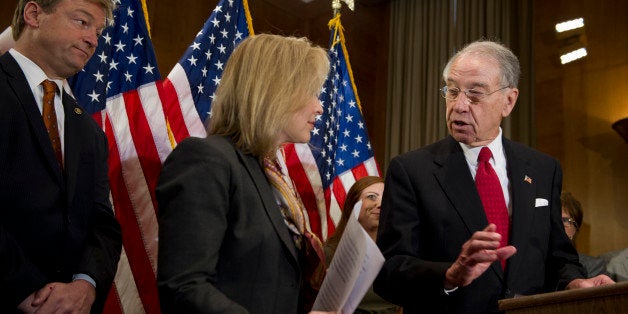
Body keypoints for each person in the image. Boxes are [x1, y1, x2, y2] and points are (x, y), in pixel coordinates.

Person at [373, 40, 614, 313]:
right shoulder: (412, 170)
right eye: (452, 92)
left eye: (475, 94)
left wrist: (574, 282)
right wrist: (449, 275)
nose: (459, 105)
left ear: (508, 101)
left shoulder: (543, 169)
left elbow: (559, 257)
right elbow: (389, 271)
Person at [156, 34, 330, 313]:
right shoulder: (207, 161)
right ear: (276, 91)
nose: (319, 107)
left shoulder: (271, 174)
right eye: (312, 92)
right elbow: (184, 287)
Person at [0, 0, 122, 313]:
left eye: (96, 31)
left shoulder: (89, 129)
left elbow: (102, 224)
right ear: (34, 14)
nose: (93, 39)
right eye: (82, 22)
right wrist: (25, 290)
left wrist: (86, 284)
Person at [323, 176, 401, 314]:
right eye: (372, 197)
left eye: (387, 198)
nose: (380, 204)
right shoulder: (330, 253)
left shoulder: (401, 254)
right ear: (352, 206)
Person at [560, 191, 608, 278]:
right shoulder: (530, 262)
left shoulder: (593, 266)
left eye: (564, 221)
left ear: (575, 229)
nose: (556, 227)